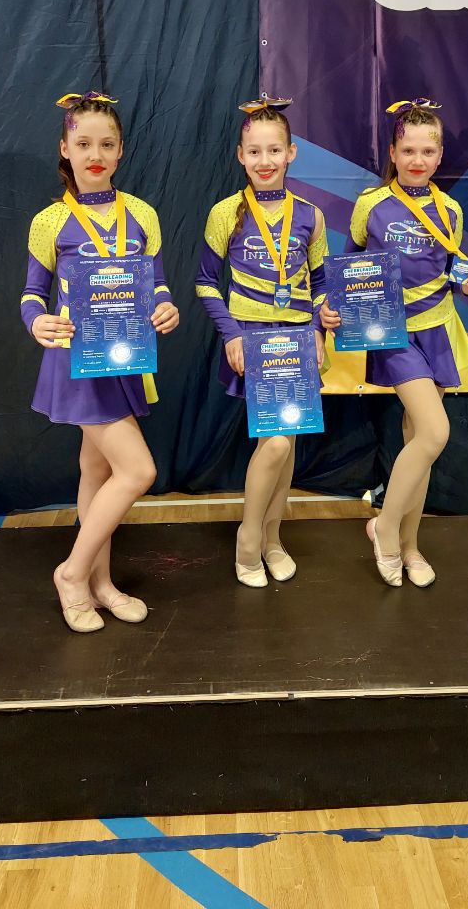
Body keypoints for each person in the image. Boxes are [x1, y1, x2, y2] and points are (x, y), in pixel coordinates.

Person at [21, 91, 179, 632]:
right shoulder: (49, 221)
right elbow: (31, 295)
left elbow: (158, 284)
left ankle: (101, 584)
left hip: (124, 359)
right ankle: (71, 574)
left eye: (106, 144)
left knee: (98, 470)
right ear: (64, 149)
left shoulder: (142, 214)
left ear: (120, 151)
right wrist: (35, 322)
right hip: (75, 362)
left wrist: (165, 307)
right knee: (139, 471)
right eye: (83, 143)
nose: (95, 154)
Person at [321, 98, 468, 588]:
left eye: (427, 151)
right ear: (392, 153)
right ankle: (385, 527)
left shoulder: (450, 210)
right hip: (391, 332)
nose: (418, 160)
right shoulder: (371, 205)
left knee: (420, 442)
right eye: (408, 150)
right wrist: (331, 304)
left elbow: (450, 270)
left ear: (440, 156)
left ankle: (411, 545)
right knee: (435, 433)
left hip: (438, 329)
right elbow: (349, 264)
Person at [196, 95, 327, 587]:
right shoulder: (225, 212)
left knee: (286, 445)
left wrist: (319, 327)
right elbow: (205, 282)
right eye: (255, 152)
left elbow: (321, 283)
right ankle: (249, 539)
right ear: (240, 155)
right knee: (274, 443)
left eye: (275, 151)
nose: (265, 161)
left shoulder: (310, 215)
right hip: (251, 337)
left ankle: (273, 538)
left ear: (291, 153)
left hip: (297, 339)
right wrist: (231, 333)